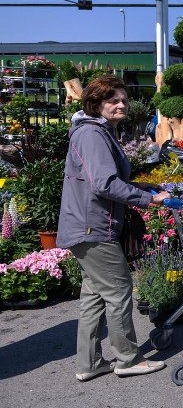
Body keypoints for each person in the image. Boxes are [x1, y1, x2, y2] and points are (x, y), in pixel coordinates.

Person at [57, 75, 172, 381]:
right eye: (113, 100)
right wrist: (149, 200)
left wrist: (145, 186)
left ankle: (90, 363)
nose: (121, 104)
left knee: (94, 295)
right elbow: (104, 184)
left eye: (124, 99)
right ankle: (128, 359)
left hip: (86, 225)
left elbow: (108, 180)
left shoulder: (98, 132)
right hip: (92, 227)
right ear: (96, 104)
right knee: (119, 290)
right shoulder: (92, 135)